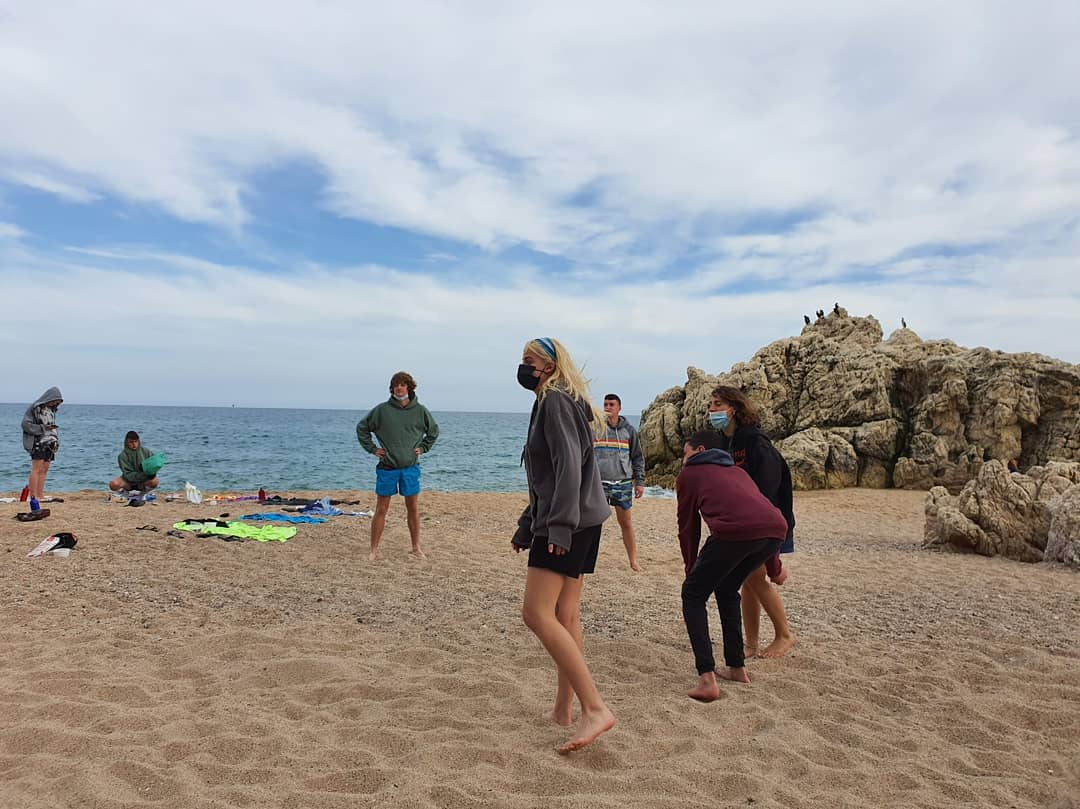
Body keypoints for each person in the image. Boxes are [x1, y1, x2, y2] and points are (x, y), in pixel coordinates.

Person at [511, 337, 616, 754]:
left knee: (536, 614)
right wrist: (527, 525)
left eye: (529, 361)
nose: (523, 367)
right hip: (583, 520)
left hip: (570, 523)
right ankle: (564, 709)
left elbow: (568, 469)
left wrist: (556, 528)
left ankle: (595, 708)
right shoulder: (553, 401)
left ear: (550, 366)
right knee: (566, 615)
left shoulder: (554, 401)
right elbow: (547, 479)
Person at [677, 430, 789, 701]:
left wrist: (691, 569)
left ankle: (707, 678)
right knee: (727, 589)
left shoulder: (690, 474)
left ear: (699, 450)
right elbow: (764, 513)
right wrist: (774, 567)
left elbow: (687, 528)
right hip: (775, 529)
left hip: (734, 532)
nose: (683, 459)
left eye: (685, 453)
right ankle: (737, 668)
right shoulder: (739, 473)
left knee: (692, 595)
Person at [708, 385, 796, 659]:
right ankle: (751, 643)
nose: (712, 409)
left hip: (768, 520)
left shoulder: (755, 442)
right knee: (747, 578)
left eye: (717, 404)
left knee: (756, 577)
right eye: (710, 405)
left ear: (733, 408)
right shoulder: (723, 441)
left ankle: (784, 635)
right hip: (742, 521)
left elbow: (768, 488)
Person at [356, 371, 439, 560]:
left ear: (409, 387)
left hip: (410, 467)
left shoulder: (420, 411)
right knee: (381, 509)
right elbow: (362, 428)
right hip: (387, 467)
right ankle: (374, 550)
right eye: (396, 385)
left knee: (413, 508)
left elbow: (433, 431)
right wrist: (373, 449)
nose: (399, 388)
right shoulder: (382, 410)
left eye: (403, 384)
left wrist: (424, 447)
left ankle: (416, 547)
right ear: (392, 388)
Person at [594, 393, 646, 571]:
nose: (607, 407)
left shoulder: (629, 431)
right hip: (598, 483)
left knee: (626, 523)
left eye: (611, 404)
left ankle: (633, 560)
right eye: (605, 404)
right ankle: (587, 558)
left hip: (622, 483)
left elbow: (638, 457)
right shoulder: (595, 428)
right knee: (592, 523)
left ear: (619, 408)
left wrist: (639, 482)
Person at [22, 387, 63, 502]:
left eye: (58, 402)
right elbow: (25, 425)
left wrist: (56, 440)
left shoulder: (51, 410)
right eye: (55, 401)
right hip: (38, 442)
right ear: (49, 398)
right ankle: (34, 496)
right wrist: (43, 428)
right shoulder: (35, 408)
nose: (56, 404)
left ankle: (40, 495)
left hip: (50, 442)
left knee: (45, 468)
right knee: (36, 468)